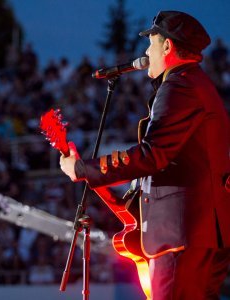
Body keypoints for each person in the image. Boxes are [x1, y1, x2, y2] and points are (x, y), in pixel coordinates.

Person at [59, 10, 230, 300]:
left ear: (167, 46)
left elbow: (153, 155)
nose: (146, 52)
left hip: (182, 235)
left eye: (150, 44)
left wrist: (85, 168)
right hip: (199, 233)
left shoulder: (180, 87)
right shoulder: (194, 84)